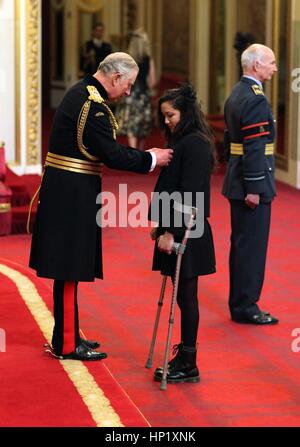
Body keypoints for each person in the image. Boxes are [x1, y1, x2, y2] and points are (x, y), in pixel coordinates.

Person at [29, 52, 173, 361]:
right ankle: (67, 344)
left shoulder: (84, 93)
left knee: (71, 266)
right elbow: (112, 155)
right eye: (129, 84)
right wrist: (152, 158)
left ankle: (68, 333)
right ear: (116, 77)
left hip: (69, 189)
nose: (129, 91)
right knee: (69, 267)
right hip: (71, 194)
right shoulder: (91, 105)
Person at [148, 84, 216, 384]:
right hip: (175, 227)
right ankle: (187, 357)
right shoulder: (181, 140)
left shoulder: (196, 144)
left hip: (188, 231)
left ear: (185, 112)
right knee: (182, 296)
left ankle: (189, 361)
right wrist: (160, 226)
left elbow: (189, 196)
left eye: (171, 115)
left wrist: (171, 233)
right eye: (164, 116)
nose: (167, 121)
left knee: (187, 297)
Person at [222, 44, 278, 325]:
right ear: (256, 65)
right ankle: (246, 306)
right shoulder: (255, 99)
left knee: (242, 245)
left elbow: (229, 140)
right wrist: (255, 188)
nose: (275, 68)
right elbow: (255, 146)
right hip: (252, 182)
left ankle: (240, 302)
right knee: (251, 247)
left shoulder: (237, 92)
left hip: (237, 178)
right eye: (270, 63)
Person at [116, 29, 156, 150]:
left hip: (130, 95)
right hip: (143, 96)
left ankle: (134, 151)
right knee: (143, 126)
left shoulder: (127, 60)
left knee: (131, 126)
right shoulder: (148, 59)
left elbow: (121, 79)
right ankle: (140, 149)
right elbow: (152, 81)